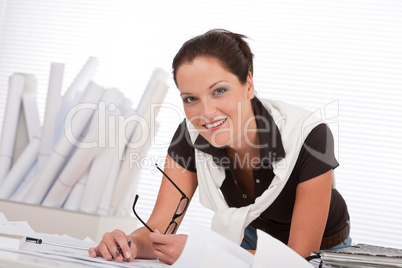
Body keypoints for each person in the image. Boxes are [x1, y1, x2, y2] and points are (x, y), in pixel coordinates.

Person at [89, 29, 351, 264]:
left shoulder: (310, 134)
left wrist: (204, 252)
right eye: (191, 98)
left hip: (322, 254)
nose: (206, 112)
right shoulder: (189, 136)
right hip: (249, 244)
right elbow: (159, 230)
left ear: (248, 84)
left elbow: (298, 257)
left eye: (219, 91)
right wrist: (127, 244)